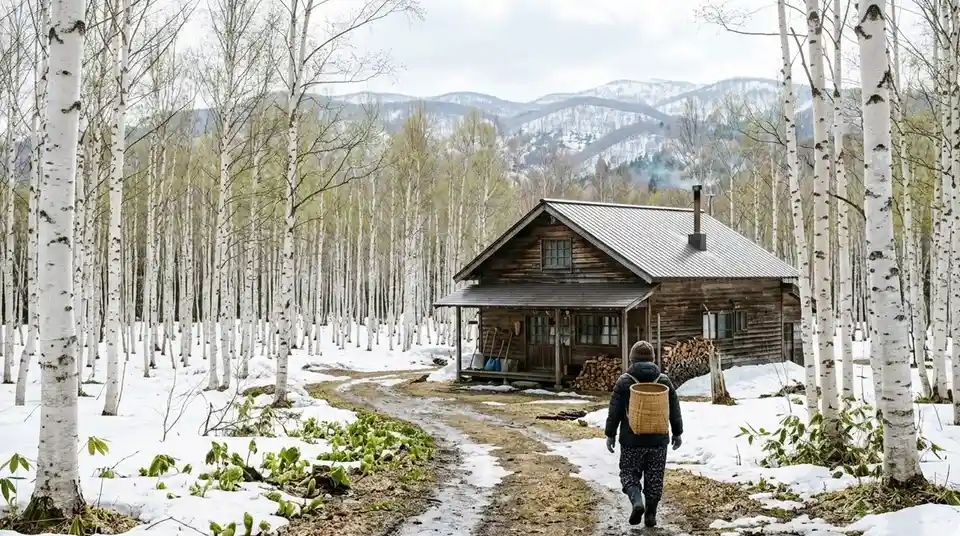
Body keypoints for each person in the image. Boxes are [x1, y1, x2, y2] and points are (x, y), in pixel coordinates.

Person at [604, 340, 683, 527]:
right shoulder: (663, 380)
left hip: (631, 439)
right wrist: (677, 433)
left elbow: (614, 410)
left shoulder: (624, 381)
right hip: (658, 440)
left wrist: (610, 434)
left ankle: (637, 501)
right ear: (653, 359)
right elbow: (674, 408)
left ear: (632, 360)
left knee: (629, 473)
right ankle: (651, 515)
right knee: (655, 476)